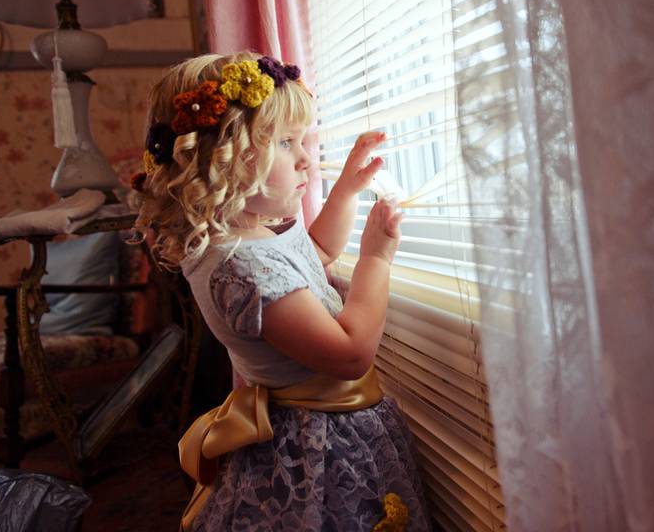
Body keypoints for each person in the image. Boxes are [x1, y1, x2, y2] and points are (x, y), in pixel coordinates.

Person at [131, 51, 430, 531]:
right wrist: (376, 258)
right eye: (288, 143)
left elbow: (314, 254)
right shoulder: (240, 266)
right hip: (320, 444)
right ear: (224, 158)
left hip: (323, 423)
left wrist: (348, 189)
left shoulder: (248, 235)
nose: (307, 158)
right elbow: (352, 354)